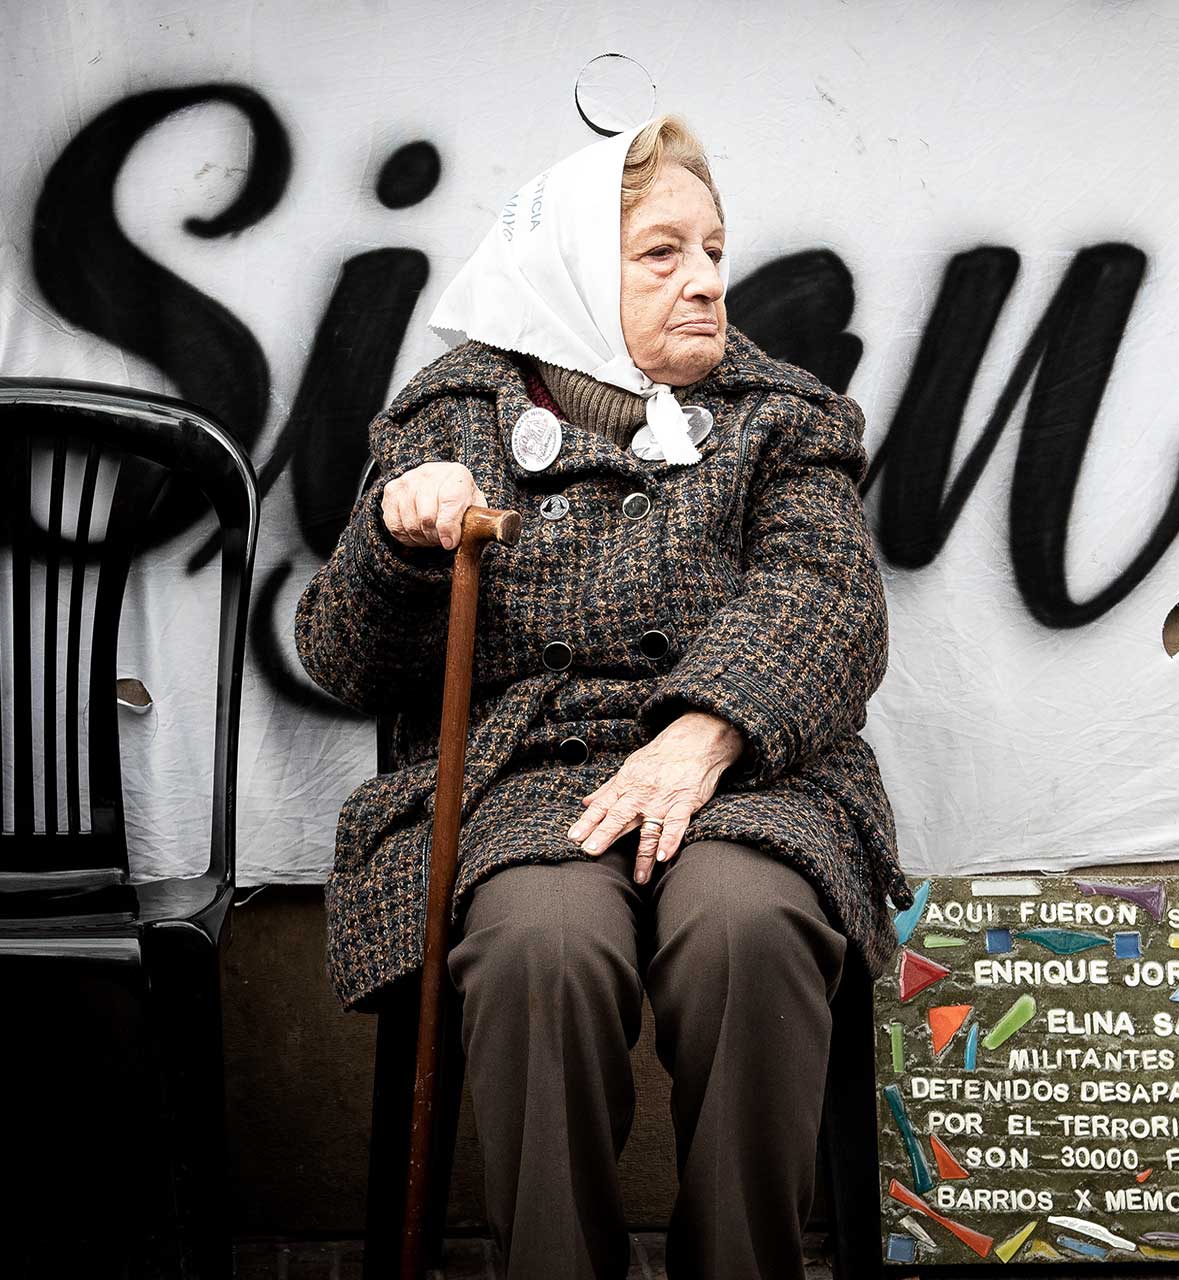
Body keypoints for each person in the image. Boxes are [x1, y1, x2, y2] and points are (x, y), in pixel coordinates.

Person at [294, 114, 910, 1280]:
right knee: (542, 947)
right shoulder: (451, 413)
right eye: (661, 254)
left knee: (753, 927)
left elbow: (830, 595)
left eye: (715, 250)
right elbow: (338, 654)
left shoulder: (780, 413)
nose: (707, 282)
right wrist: (396, 534)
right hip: (526, 779)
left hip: (745, 768)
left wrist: (707, 725)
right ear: (572, 263)